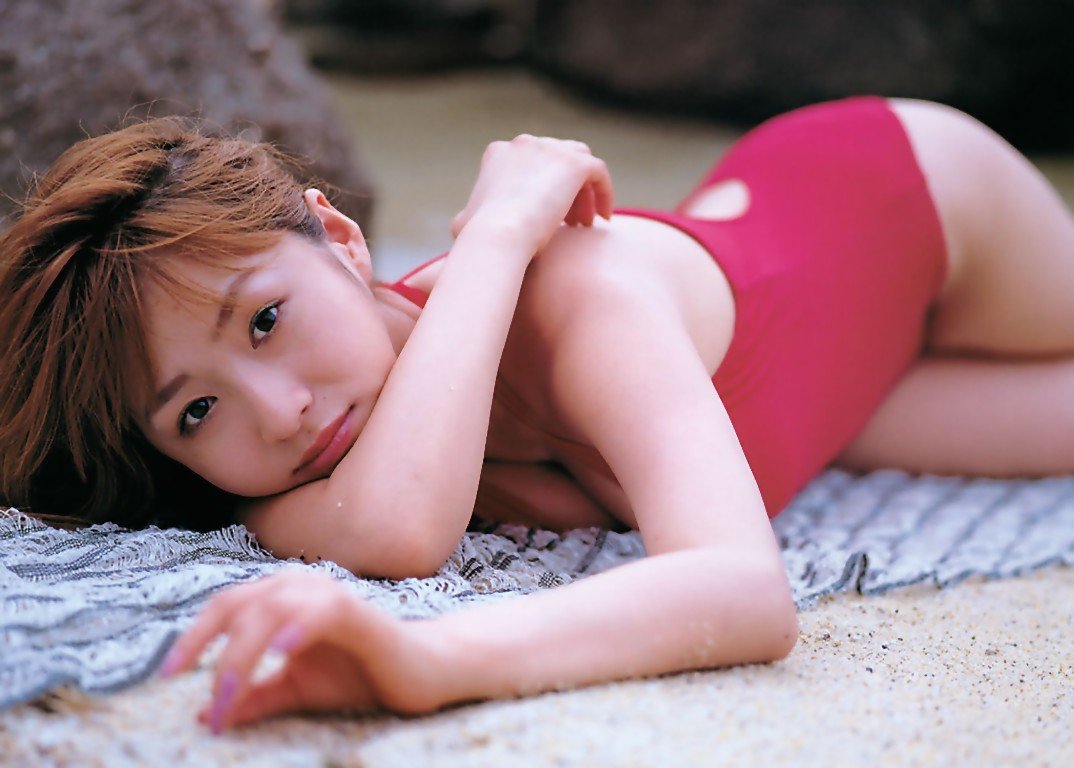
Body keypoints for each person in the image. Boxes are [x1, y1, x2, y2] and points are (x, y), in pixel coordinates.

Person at [3, 96, 1073, 732]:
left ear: (341, 239)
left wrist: (507, 235)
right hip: (843, 390)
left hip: (913, 198)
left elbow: (746, 592)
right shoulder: (290, 476)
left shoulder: (576, 292)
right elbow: (396, 528)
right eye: (195, 411)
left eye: (267, 319)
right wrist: (498, 236)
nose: (278, 413)